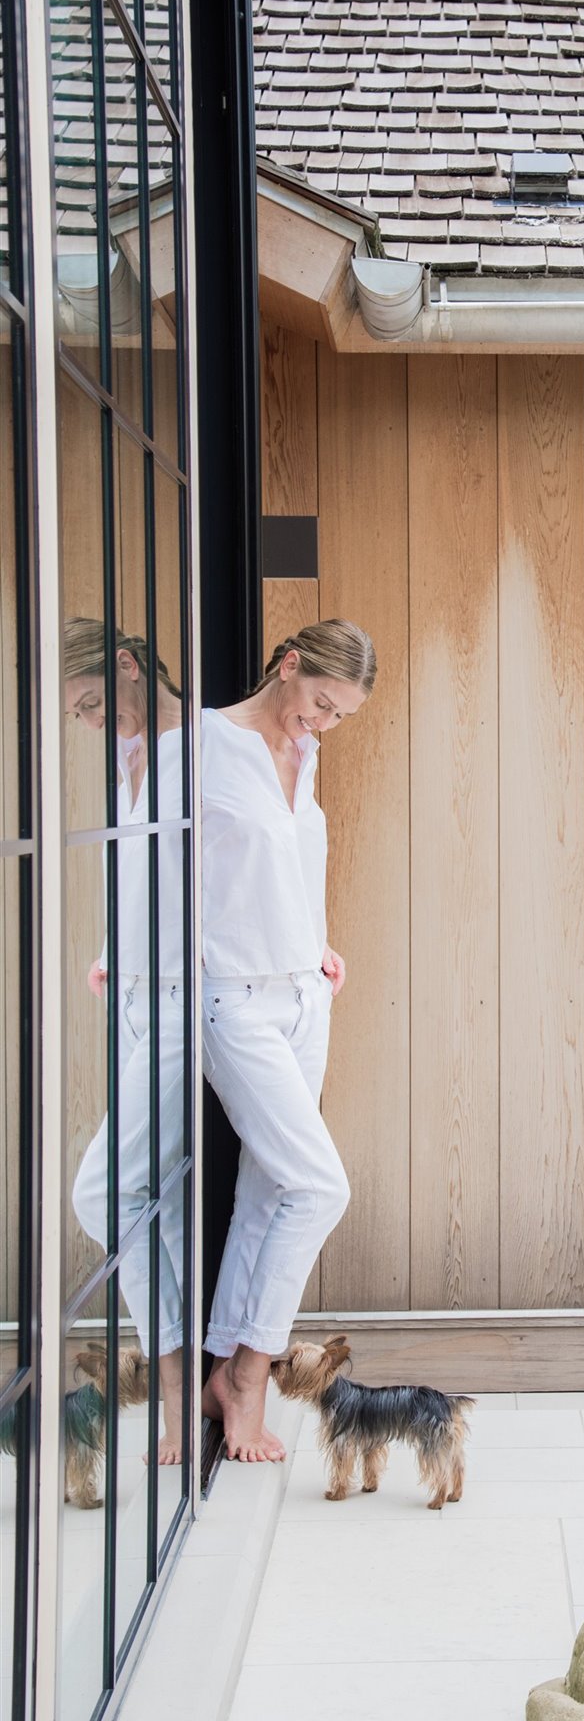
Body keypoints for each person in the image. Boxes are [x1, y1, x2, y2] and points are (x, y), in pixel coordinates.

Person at [198, 620, 375, 1462]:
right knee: (319, 1187)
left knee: (270, 1191)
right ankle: (249, 1376)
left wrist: (319, 940)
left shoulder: (307, 757)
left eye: (339, 717)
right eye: (319, 704)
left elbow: (297, 866)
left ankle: (223, 1362)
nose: (322, 724)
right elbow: (166, 876)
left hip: (307, 995)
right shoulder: (200, 744)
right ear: (289, 664)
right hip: (232, 998)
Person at [65, 618, 188, 1466]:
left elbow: (262, 856)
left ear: (130, 666)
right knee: (159, 1201)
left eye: (94, 701)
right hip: (141, 1002)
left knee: (102, 1195)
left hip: (191, 1004)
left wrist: (306, 941)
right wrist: (114, 957)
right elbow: (142, 880)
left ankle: (184, 1387)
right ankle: (192, 1392)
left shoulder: (202, 749)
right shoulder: (131, 759)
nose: (92, 722)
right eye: (79, 715)